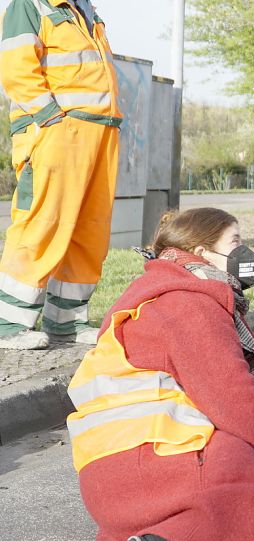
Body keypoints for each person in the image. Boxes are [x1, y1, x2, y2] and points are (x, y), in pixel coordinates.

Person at [69, 208, 254, 541]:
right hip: (155, 467)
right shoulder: (187, 302)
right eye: (236, 242)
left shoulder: (152, 291)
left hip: (120, 477)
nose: (246, 254)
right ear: (201, 254)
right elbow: (234, 401)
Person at [0, 0, 123, 350]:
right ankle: (10, 324)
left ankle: (67, 321)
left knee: (89, 230)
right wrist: (49, 116)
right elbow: (16, 69)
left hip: (101, 130)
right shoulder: (30, 4)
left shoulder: (85, 10)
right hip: (57, 130)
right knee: (43, 223)